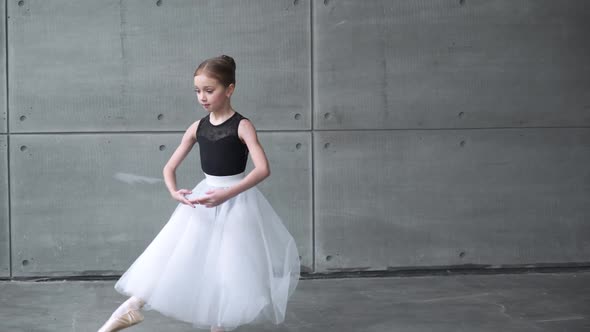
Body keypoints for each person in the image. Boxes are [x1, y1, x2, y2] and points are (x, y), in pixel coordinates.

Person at [97, 54, 301, 332]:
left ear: (229, 89)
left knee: (229, 266)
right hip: (203, 199)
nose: (202, 97)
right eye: (197, 91)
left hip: (236, 202)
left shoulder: (242, 126)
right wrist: (174, 192)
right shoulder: (197, 127)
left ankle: (219, 325)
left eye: (209, 90)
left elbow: (263, 169)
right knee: (174, 254)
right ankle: (132, 306)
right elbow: (169, 168)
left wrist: (227, 195)